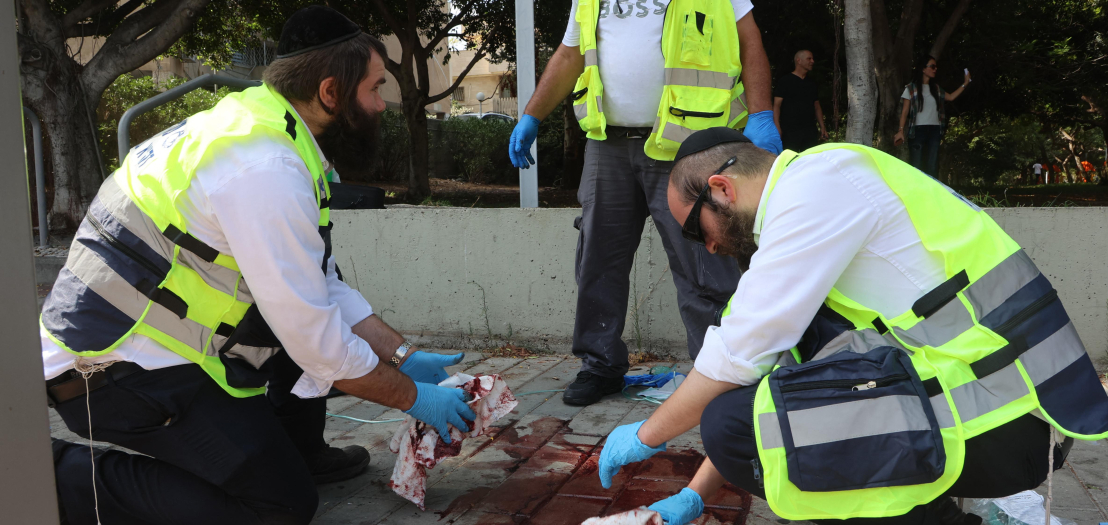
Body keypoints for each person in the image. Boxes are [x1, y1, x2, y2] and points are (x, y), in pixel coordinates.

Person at [41, 6, 477, 524]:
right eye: (375, 87)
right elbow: (317, 341)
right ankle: (56, 474)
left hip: (159, 350)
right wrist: (412, 398)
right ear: (331, 92)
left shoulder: (272, 130)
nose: (382, 103)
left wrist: (402, 355)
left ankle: (295, 454)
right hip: (108, 371)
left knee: (305, 349)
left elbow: (318, 285)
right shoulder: (263, 165)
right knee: (279, 505)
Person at [593, 129, 1108, 525]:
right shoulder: (818, 205)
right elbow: (765, 366)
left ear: (721, 188)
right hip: (986, 405)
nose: (707, 247)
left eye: (694, 231)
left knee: (735, 426)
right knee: (776, 392)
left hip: (1008, 421)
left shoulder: (817, 189)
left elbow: (738, 356)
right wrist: (695, 494)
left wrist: (647, 434)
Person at [507, 0, 782, 406]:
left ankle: (723, 371)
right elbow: (570, 54)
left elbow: (749, 40)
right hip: (608, 143)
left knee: (707, 258)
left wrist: (761, 113)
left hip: (687, 146)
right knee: (598, 258)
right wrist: (533, 114)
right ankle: (600, 365)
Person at [894, 55, 971, 177]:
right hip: (917, 131)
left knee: (932, 166)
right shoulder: (911, 88)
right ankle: (915, 194)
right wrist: (901, 131)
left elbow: (950, 97)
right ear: (923, 69)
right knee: (916, 166)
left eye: (936, 67)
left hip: (935, 130)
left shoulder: (936, 89)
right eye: (932, 66)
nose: (935, 69)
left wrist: (965, 83)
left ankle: (930, 194)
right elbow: (905, 112)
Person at [773, 48, 828, 152]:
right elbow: (776, 106)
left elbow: (816, 106)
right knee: (790, 161)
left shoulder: (811, 83)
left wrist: (822, 127)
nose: (812, 61)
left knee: (810, 160)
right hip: (789, 130)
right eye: (809, 59)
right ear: (799, 60)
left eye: (812, 59)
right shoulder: (785, 81)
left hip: (810, 130)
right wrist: (777, 127)